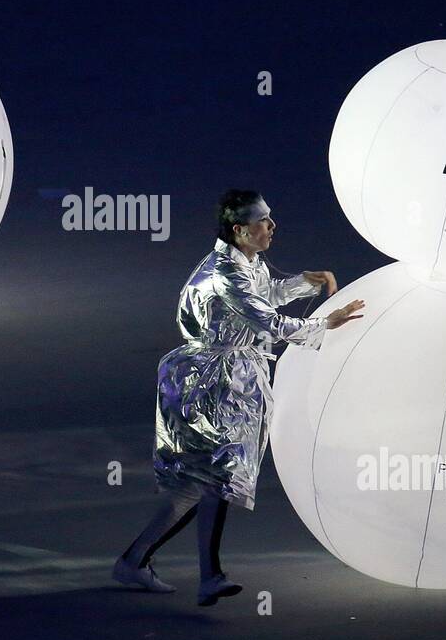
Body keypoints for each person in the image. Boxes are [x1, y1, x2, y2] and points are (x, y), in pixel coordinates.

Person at [113, 189, 366, 606]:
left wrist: (305, 282)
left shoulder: (247, 262)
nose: (272, 227)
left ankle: (134, 561)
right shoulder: (223, 272)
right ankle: (209, 575)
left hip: (232, 380)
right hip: (212, 385)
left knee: (196, 487)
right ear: (240, 230)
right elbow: (264, 318)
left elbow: (266, 295)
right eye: (263, 221)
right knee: (218, 478)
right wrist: (325, 322)